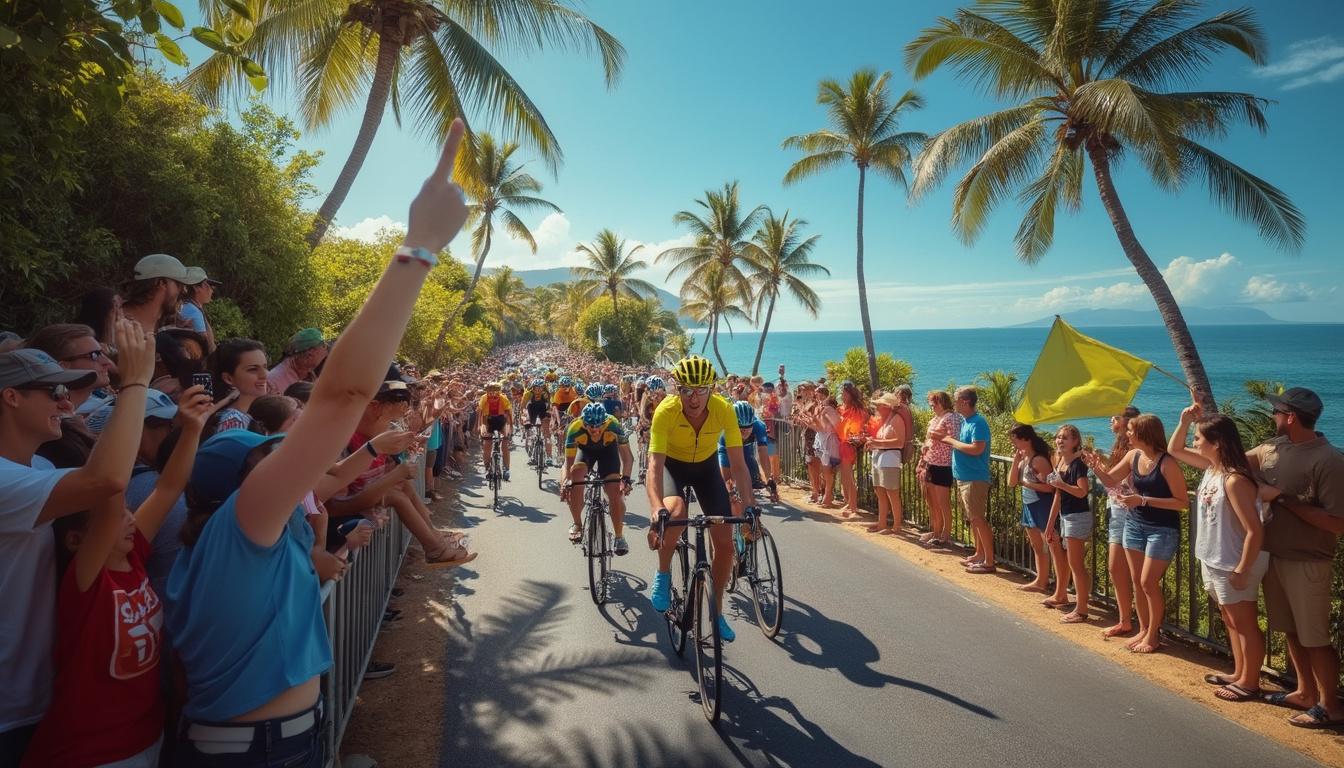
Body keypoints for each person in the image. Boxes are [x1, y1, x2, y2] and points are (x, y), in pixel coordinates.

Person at [164, 120, 469, 765]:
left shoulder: (234, 544)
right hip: (256, 752)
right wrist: (418, 248)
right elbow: (338, 398)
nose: (294, 458)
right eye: (271, 456)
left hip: (273, 740)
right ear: (244, 486)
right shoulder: (242, 530)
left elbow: (331, 476)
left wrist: (375, 451)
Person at [23, 385, 214, 767]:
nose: (128, 520)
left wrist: (192, 428)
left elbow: (168, 487)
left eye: (129, 512)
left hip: (147, 736)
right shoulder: (87, 583)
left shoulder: (135, 557)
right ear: (76, 540)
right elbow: (110, 485)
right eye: (116, 517)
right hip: (91, 753)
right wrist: (135, 384)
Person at [0, 320, 152, 765]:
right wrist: (136, 382)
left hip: (38, 693)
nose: (66, 401)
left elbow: (108, 490)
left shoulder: (42, 469)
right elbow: (106, 479)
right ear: (11, 397)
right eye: (53, 392)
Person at [1246, 387, 1344, 727]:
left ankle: (1331, 706)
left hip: (1309, 561)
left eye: (1276, 411)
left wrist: (1282, 499)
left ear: (1290, 417)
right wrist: (1204, 425)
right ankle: (1305, 693)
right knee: (1290, 630)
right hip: (1276, 555)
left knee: (1315, 637)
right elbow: (1233, 461)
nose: (1272, 416)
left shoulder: (1329, 460)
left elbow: (1336, 523)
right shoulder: (1274, 447)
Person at [645, 355, 758, 643]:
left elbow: (739, 465)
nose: (694, 399)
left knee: (725, 543)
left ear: (712, 389)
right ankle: (663, 573)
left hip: (707, 469)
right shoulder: (665, 411)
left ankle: (717, 611)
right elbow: (655, 466)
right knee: (676, 511)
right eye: (686, 391)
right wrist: (656, 507)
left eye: (701, 390)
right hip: (674, 467)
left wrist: (750, 505)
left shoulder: (723, 410)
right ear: (677, 389)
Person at [1167, 403, 1268, 704]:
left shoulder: (1235, 480)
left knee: (1245, 623)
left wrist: (1241, 569)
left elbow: (1255, 530)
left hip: (1234, 560)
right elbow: (1175, 448)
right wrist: (1185, 420)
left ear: (1218, 443)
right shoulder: (1213, 468)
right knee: (1231, 619)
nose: (1194, 443)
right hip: (1215, 557)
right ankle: (1240, 672)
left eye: (1199, 438)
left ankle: (1250, 683)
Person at [1085, 413, 1188, 654]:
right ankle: (1143, 629)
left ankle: (1153, 635)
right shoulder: (1133, 456)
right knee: (1138, 582)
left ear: (1144, 434)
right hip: (1134, 525)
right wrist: (1095, 467)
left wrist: (1142, 500)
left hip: (1161, 530)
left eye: (1131, 430)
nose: (1126, 434)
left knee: (1147, 582)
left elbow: (1182, 502)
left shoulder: (1167, 463)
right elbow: (1111, 480)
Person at [933, 386, 995, 573]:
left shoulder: (978, 423)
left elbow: (977, 449)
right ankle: (979, 553)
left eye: (956, 400)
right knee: (973, 518)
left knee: (978, 518)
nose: (954, 403)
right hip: (964, 476)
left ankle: (989, 561)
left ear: (965, 402)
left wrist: (949, 440)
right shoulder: (967, 421)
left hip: (975, 477)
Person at [560, 403, 634, 552]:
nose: (594, 430)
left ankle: (619, 537)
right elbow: (568, 464)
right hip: (585, 452)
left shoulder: (614, 424)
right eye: (590, 426)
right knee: (575, 481)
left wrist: (625, 479)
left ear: (605, 422)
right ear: (583, 422)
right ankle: (577, 524)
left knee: (614, 492)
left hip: (608, 452)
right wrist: (566, 482)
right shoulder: (575, 428)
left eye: (598, 426)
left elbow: (628, 458)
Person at [1096, 406, 1141, 639]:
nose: (1110, 420)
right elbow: (1114, 477)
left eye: (1115, 417)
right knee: (1116, 568)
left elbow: (1121, 480)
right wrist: (1100, 463)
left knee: (1137, 574)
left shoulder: (1136, 449)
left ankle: (1142, 626)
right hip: (1117, 510)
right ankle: (1125, 620)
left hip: (1130, 512)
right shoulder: (1121, 446)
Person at [1043, 424, 1093, 623]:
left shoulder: (1078, 464)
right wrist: (1050, 524)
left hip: (1077, 516)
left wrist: (1062, 485)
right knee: (1074, 562)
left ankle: (1081, 609)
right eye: (1058, 437)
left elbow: (1082, 491)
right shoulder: (1061, 462)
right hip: (1066, 515)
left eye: (1065, 437)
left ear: (1075, 442)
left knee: (1076, 564)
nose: (1060, 440)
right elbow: (1058, 494)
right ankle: (1077, 604)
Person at [1008, 423, 1059, 592]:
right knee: (1037, 545)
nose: (1013, 442)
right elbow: (1011, 482)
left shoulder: (1038, 460)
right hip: (1029, 504)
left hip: (1041, 505)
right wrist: (1016, 461)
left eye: (1015, 438)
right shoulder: (1024, 459)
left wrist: (1028, 483)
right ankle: (1041, 579)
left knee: (1052, 545)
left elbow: (1050, 487)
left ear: (1026, 439)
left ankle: (1057, 585)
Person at [24, 323, 119, 413]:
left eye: (103, 353)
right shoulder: (47, 422)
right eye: (94, 355)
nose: (107, 363)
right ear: (62, 366)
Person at [864, 393, 907, 534]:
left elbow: (900, 442)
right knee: (880, 491)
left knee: (892, 493)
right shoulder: (885, 420)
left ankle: (896, 526)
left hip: (890, 457)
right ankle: (882, 523)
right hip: (880, 456)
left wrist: (877, 442)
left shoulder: (896, 419)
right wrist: (873, 443)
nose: (876, 407)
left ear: (887, 406)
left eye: (879, 405)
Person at [208, 338, 270, 434]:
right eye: (253, 369)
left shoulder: (267, 410)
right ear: (229, 378)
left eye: (265, 367)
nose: (265, 375)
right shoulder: (233, 421)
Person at [719, 401, 773, 504]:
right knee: (727, 486)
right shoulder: (725, 430)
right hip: (727, 449)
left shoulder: (759, 426)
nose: (744, 432)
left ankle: (752, 515)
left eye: (748, 428)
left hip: (746, 449)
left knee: (748, 490)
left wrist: (768, 479)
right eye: (740, 428)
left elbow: (763, 453)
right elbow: (726, 461)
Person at [121, 254, 189, 332]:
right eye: (179, 285)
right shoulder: (114, 323)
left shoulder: (166, 329)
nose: (184, 291)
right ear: (162, 283)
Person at [268, 329, 328, 396]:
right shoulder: (273, 381)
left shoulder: (309, 374)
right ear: (310, 353)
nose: (325, 351)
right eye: (323, 345)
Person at [477, 381, 513, 481]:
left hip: (501, 420)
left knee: (505, 443)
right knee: (487, 444)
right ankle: (487, 468)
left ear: (499, 391)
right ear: (487, 391)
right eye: (490, 391)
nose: (492, 393)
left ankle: (506, 468)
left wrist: (511, 427)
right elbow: (480, 413)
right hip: (487, 420)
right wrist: (479, 426)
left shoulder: (503, 398)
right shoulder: (484, 398)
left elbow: (509, 414)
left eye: (495, 391)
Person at [179, 266, 221, 350]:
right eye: (207, 285)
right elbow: (207, 346)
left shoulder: (182, 305)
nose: (211, 290)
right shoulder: (193, 311)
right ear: (196, 288)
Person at [522, 378, 554, 466]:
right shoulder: (528, 394)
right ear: (533, 388)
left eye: (541, 388)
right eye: (536, 388)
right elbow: (523, 407)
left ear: (543, 388)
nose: (539, 390)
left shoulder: (546, 394)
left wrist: (548, 416)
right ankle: (532, 456)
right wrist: (525, 418)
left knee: (547, 435)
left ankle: (549, 457)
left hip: (542, 411)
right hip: (531, 411)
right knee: (530, 435)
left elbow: (549, 406)